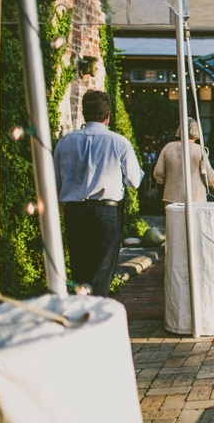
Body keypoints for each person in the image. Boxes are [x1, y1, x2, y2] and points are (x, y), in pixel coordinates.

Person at [54, 90, 144, 296]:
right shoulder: (120, 143)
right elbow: (133, 181)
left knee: (79, 268)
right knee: (102, 272)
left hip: (74, 211)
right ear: (108, 115)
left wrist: (64, 211)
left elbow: (56, 183)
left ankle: (81, 317)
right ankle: (96, 317)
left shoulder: (65, 142)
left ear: (84, 113)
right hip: (106, 213)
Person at [153, 118, 214, 204]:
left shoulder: (168, 147)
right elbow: (208, 176)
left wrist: (161, 180)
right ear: (197, 131)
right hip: (196, 199)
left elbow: (159, 173)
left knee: (175, 217)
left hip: (172, 199)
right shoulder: (199, 150)